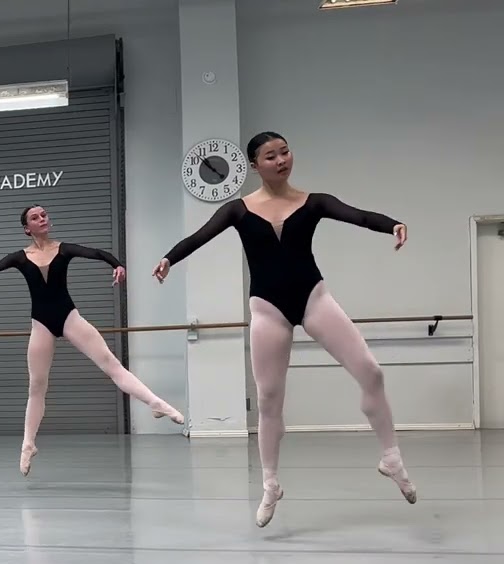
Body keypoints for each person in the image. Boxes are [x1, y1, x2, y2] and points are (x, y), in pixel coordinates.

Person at [152, 131, 416, 527]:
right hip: (268, 307)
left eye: (285, 152)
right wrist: (169, 259)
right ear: (255, 166)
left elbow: (359, 216)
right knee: (270, 399)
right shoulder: (237, 210)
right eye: (271, 156)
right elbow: (199, 237)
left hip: (314, 297)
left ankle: (390, 458)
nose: (281, 160)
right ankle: (271, 483)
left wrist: (393, 224)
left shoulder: (314, 202)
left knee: (371, 372)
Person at [0, 205, 184, 475]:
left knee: (111, 364)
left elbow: (97, 253)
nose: (42, 218)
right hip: (41, 324)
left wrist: (116, 265)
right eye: (35, 217)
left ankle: (156, 403)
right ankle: (28, 444)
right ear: (27, 228)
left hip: (69, 317)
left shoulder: (64, 249)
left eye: (44, 214)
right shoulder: (20, 258)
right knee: (36, 385)